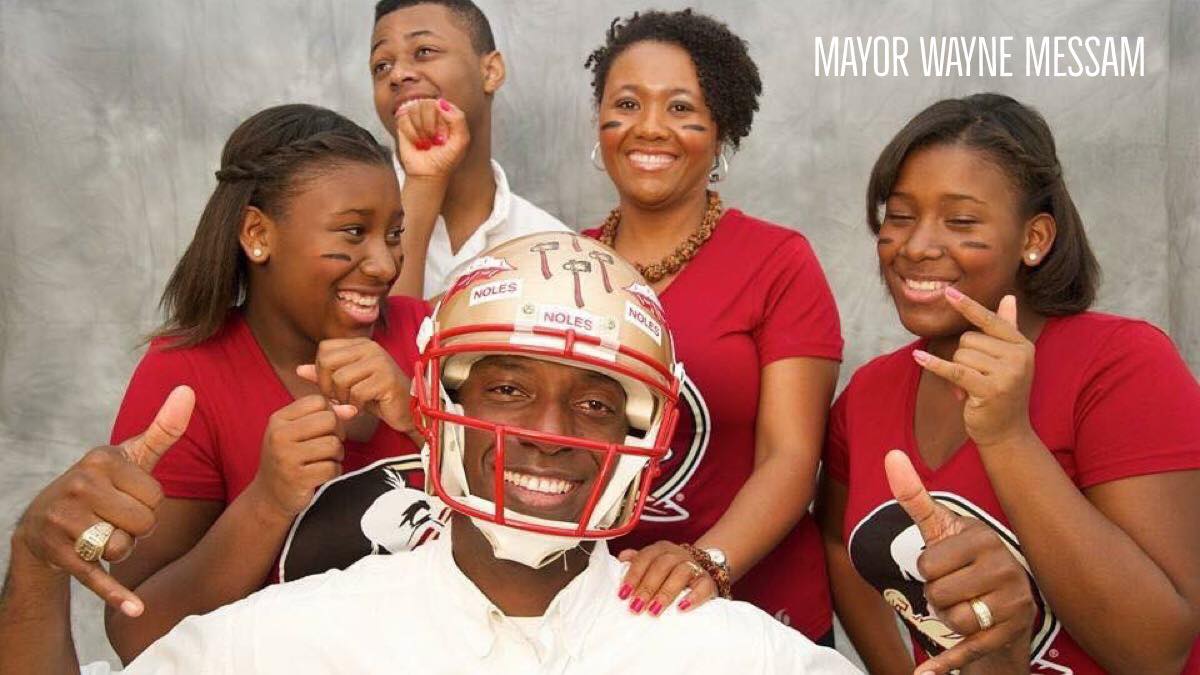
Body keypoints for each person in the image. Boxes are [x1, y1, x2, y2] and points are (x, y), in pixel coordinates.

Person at [0, 233, 862, 674]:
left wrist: (1003, 657)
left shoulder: (735, 653)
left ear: (642, 434)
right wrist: (35, 570)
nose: (545, 430)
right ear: (439, 404)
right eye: (509, 388)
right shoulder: (297, 637)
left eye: (595, 402)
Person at [818, 93, 1200, 675]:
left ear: (1035, 238)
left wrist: (1007, 435)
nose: (916, 245)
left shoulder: (1121, 364)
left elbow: (1158, 653)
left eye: (961, 221)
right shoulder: (867, 394)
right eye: (899, 216)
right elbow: (840, 549)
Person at [99, 104, 430, 661]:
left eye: (394, 234)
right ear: (257, 234)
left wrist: (423, 419)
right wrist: (268, 502)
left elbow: (529, 529)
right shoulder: (183, 377)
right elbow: (137, 634)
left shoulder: (429, 336)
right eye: (354, 232)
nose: (383, 263)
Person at [579, 9, 842, 643]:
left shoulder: (778, 262)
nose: (649, 127)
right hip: (604, 609)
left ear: (721, 130)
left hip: (754, 611)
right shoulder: (565, 265)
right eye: (627, 103)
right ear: (600, 123)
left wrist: (707, 561)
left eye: (681, 109)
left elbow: (791, 457)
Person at [370, 0, 568, 300]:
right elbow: (379, 340)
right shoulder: (349, 224)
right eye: (381, 66)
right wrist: (423, 184)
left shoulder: (553, 248)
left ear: (490, 71)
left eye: (424, 51)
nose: (397, 75)